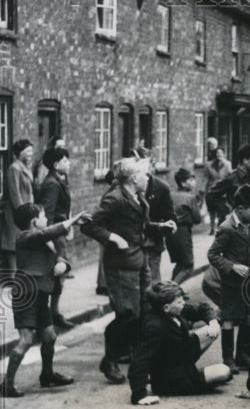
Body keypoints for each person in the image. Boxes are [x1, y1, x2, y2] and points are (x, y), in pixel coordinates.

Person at [80, 156, 161, 383]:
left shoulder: (137, 196)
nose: (148, 178)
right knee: (128, 315)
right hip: (121, 266)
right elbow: (88, 225)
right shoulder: (114, 199)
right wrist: (112, 237)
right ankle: (111, 359)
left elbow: (138, 225)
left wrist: (159, 227)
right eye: (145, 174)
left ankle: (140, 363)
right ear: (134, 178)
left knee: (144, 313)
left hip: (140, 261)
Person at [0, 202, 89, 397]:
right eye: (43, 216)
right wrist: (72, 220)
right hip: (27, 294)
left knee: (49, 336)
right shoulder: (25, 237)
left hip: (41, 294)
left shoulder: (43, 240)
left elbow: (58, 257)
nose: (46, 219)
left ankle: (47, 375)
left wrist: (63, 265)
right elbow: (46, 233)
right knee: (26, 339)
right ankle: (7, 384)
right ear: (34, 222)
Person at [203, 184, 250, 373]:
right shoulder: (226, 228)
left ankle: (242, 355)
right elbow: (213, 255)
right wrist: (232, 266)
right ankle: (228, 359)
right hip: (232, 284)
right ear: (240, 209)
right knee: (229, 319)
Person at [127, 281, 232, 405]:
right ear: (166, 307)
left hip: (180, 356)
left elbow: (203, 307)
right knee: (224, 371)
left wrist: (213, 322)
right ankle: (195, 381)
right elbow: (140, 360)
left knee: (211, 330)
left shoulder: (174, 310)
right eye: (179, 301)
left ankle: (198, 375)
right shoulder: (154, 327)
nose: (183, 302)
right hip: (172, 379)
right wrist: (139, 395)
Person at [37, 146, 74, 328]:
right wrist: (49, 239)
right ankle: (50, 315)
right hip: (55, 234)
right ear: (56, 164)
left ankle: (54, 312)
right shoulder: (52, 183)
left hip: (60, 231)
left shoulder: (59, 180)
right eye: (65, 160)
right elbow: (48, 213)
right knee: (57, 273)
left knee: (61, 274)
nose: (69, 163)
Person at [134, 148, 177, 284]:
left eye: (147, 165)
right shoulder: (128, 186)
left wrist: (168, 226)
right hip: (132, 246)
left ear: (152, 166)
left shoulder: (161, 188)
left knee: (152, 286)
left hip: (152, 245)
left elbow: (170, 216)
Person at [0, 138, 35, 270]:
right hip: (17, 212)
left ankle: (22, 275)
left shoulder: (26, 167)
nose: (31, 154)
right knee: (13, 245)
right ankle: (14, 278)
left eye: (31, 151)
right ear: (20, 153)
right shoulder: (14, 168)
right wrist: (22, 213)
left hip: (28, 210)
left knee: (24, 242)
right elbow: (15, 193)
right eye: (28, 151)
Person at [166, 167, 202, 284]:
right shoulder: (191, 197)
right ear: (183, 182)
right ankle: (171, 291)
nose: (194, 182)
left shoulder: (170, 194)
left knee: (180, 264)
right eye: (190, 180)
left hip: (170, 233)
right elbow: (197, 219)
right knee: (188, 266)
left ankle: (170, 289)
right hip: (183, 233)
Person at [204, 142, 232, 234]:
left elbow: (230, 176)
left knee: (221, 210)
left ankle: (220, 227)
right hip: (212, 190)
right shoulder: (209, 164)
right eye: (217, 153)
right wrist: (204, 190)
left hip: (222, 190)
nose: (219, 155)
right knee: (212, 210)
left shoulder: (227, 164)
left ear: (224, 154)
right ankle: (212, 227)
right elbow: (206, 178)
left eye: (220, 153)